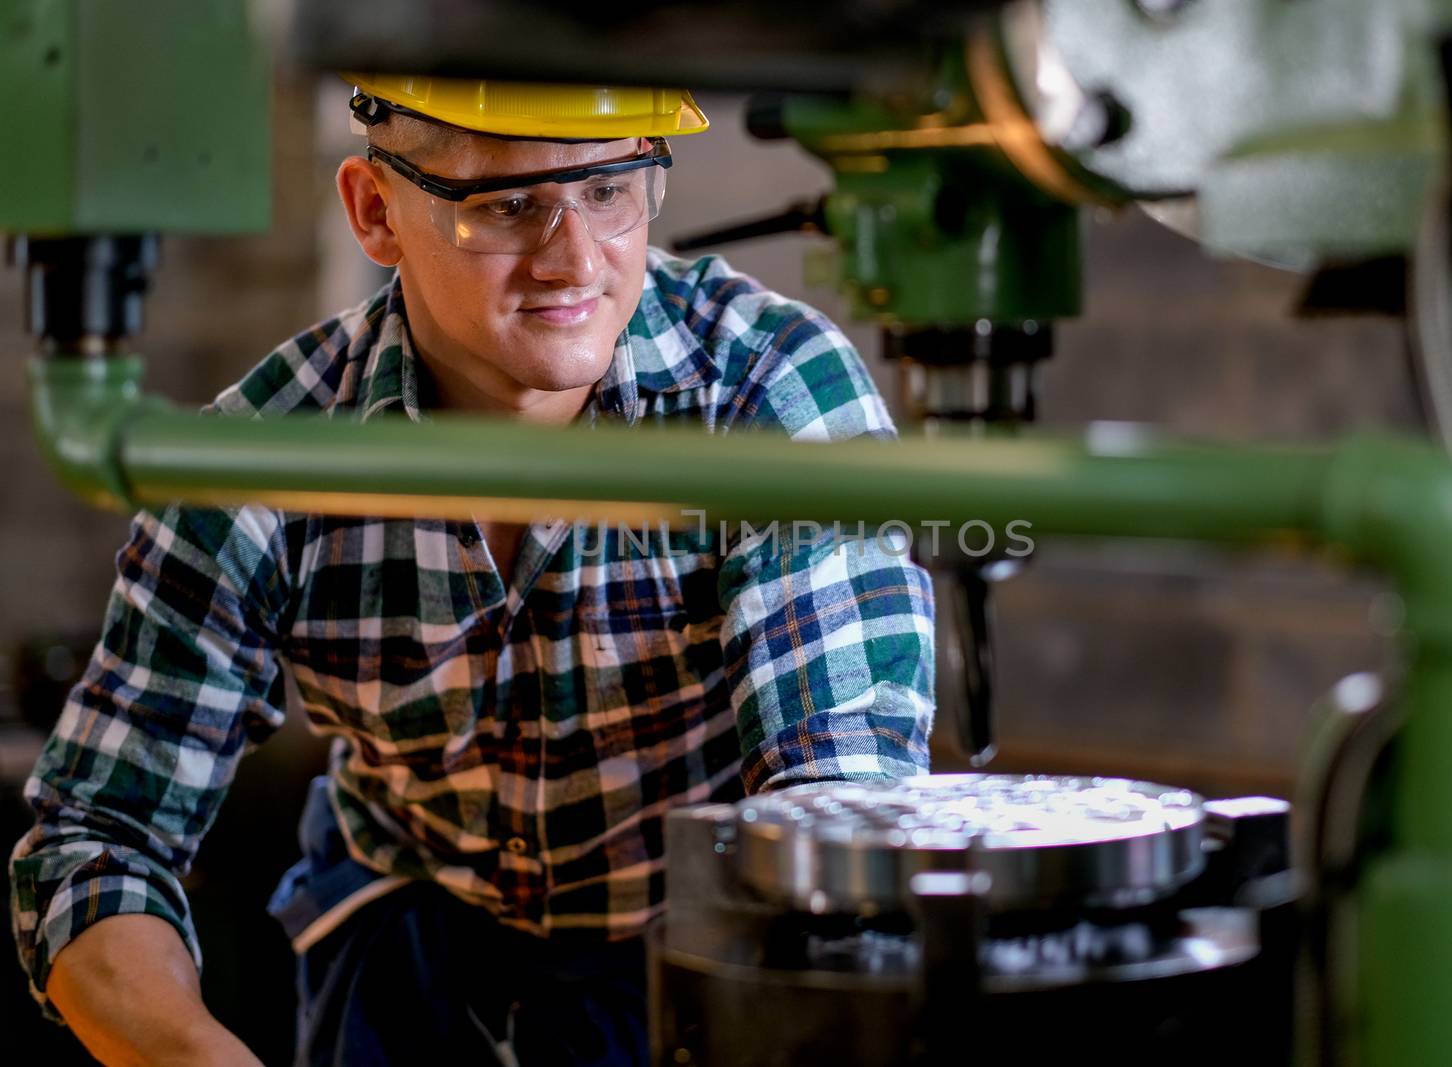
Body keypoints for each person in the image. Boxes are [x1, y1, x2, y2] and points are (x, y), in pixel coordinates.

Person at [10, 75, 937, 1066]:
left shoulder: (767, 390)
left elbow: (842, 806)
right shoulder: (270, 457)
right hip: (407, 952)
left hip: (698, 954)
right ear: (376, 211)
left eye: (609, 189)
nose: (574, 259)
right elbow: (97, 840)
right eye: (507, 205)